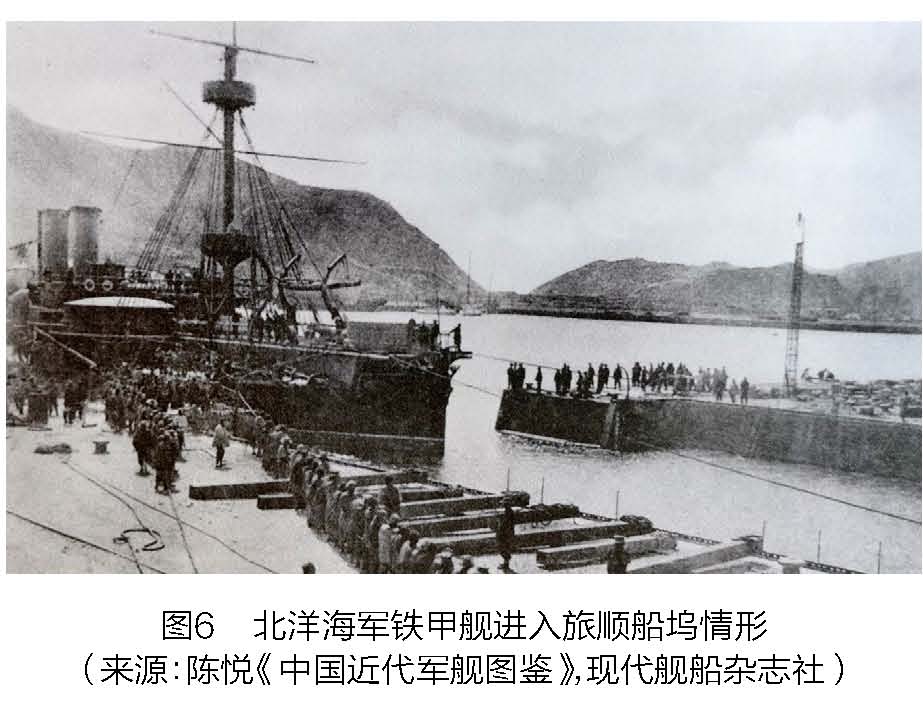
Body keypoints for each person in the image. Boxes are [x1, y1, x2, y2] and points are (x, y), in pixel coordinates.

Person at [495, 497, 516, 571]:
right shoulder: (508, 512)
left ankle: (506, 564)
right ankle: (506, 563)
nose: (503, 505)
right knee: (504, 548)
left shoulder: (509, 513)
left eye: (504, 504)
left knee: (503, 548)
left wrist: (499, 522)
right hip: (507, 533)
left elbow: (505, 524)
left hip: (505, 534)